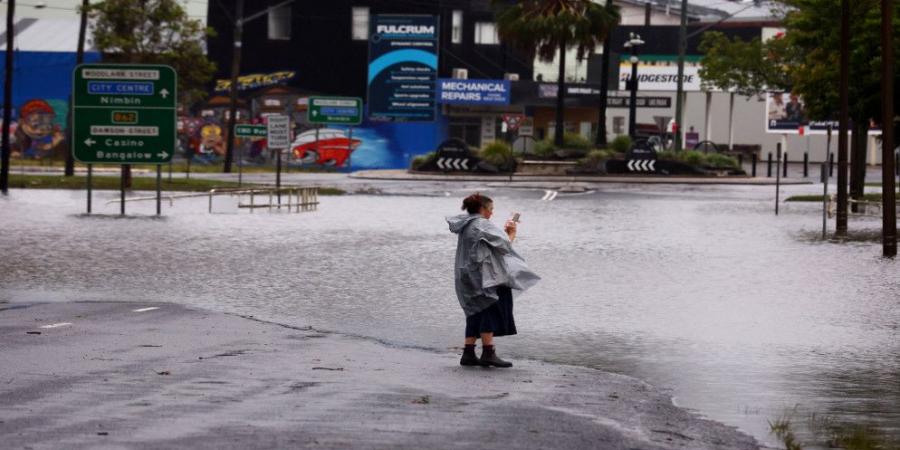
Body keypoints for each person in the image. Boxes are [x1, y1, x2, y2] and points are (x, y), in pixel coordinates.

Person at [447, 193, 540, 368]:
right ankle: (488, 352)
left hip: (466, 274)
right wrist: (511, 233)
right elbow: (504, 246)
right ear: (482, 209)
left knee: (475, 311)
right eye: (491, 209)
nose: (492, 213)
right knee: (490, 307)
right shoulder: (482, 224)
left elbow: (491, 244)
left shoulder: (467, 224)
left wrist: (503, 235)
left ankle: (468, 352)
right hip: (484, 275)